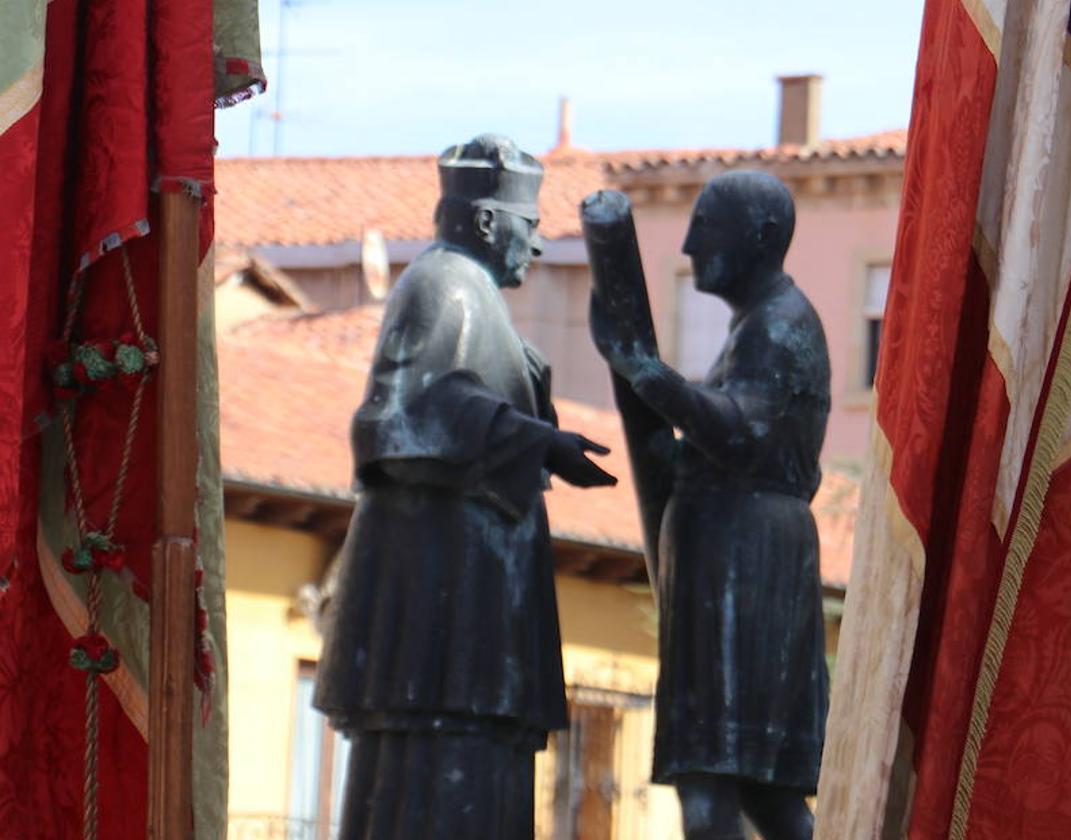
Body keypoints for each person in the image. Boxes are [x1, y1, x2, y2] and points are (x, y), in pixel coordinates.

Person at [314, 134, 616, 840]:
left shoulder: (468, 290)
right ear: (487, 220)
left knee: (475, 761)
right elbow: (408, 416)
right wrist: (541, 440)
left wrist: (538, 436)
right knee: (444, 769)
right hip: (444, 600)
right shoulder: (444, 284)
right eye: (530, 227)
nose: (536, 248)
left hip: (472, 593)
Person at [590, 171, 830, 840]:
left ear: (756, 238)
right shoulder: (760, 326)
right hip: (739, 554)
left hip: (743, 564)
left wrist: (647, 373)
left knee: (711, 778)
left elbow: (742, 432)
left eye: (707, 226)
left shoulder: (780, 326)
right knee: (761, 791)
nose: (691, 244)